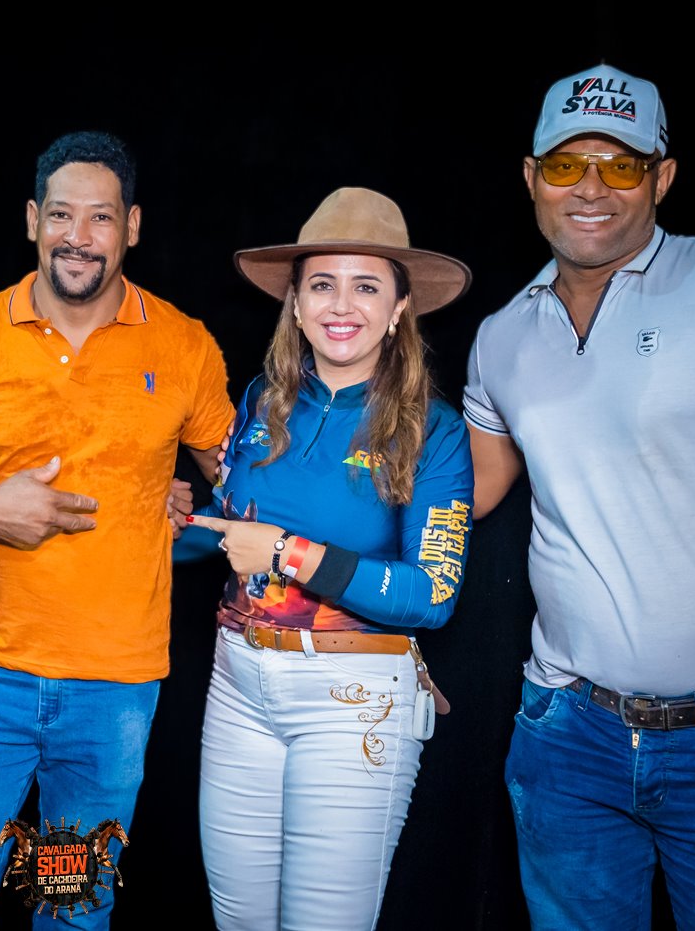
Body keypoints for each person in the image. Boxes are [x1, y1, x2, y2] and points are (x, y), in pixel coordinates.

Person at [0, 130, 235, 930]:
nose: (80, 236)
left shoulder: (183, 346)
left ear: (133, 227)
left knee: (72, 913)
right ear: (33, 220)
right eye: (63, 215)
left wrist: (183, 512)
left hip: (115, 690)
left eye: (101, 218)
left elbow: (241, 490)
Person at [465, 64, 695, 929]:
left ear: (662, 177)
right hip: (566, 737)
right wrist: (260, 505)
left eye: (620, 167)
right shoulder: (500, 337)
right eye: (565, 165)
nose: (591, 190)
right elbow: (462, 493)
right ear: (531, 178)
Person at [179, 187, 473, 930]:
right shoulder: (260, 402)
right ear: (297, 304)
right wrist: (169, 514)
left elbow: (431, 595)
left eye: (367, 285)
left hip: (354, 700)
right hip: (239, 683)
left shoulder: (433, 431)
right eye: (322, 284)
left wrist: (288, 552)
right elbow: (218, 536)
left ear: (401, 307)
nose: (343, 305)